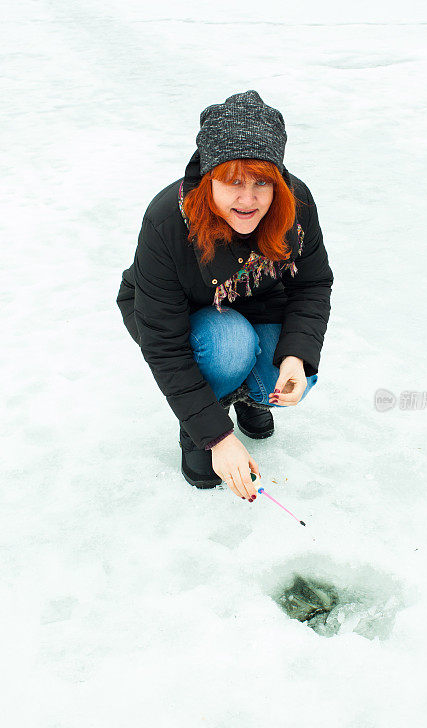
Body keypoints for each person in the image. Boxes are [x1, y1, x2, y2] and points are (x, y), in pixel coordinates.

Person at [116, 90, 333, 502]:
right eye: (232, 182)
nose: (248, 200)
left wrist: (295, 356)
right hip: (185, 321)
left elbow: (312, 284)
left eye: (261, 183)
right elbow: (164, 343)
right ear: (208, 177)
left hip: (258, 301)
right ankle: (201, 422)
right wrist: (215, 437)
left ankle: (251, 397)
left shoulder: (296, 204)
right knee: (228, 345)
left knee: (281, 375)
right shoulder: (167, 220)